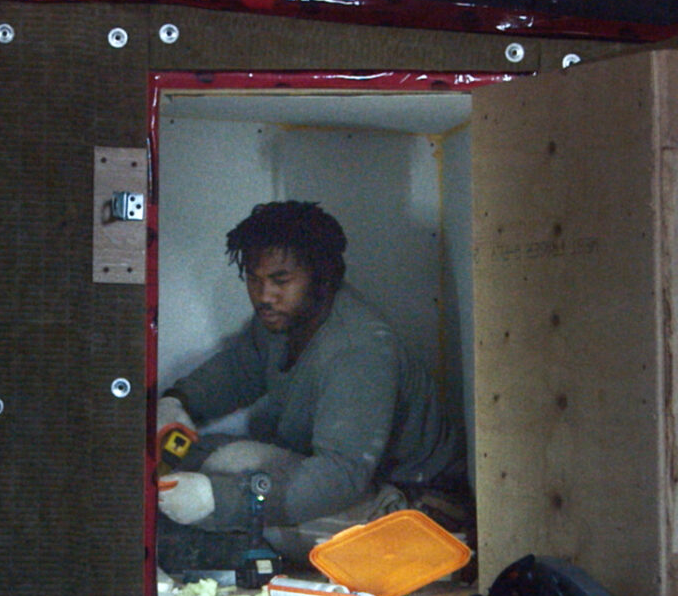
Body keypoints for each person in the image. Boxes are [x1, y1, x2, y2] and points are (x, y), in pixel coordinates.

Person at [155, 200, 468, 571]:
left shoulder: (358, 349)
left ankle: (239, 541)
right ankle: (237, 533)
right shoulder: (285, 318)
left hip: (418, 510)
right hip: (358, 485)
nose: (264, 296)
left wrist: (220, 502)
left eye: (280, 281)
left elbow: (339, 478)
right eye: (254, 280)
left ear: (323, 277)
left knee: (249, 503)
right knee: (204, 457)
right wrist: (178, 402)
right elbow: (239, 369)